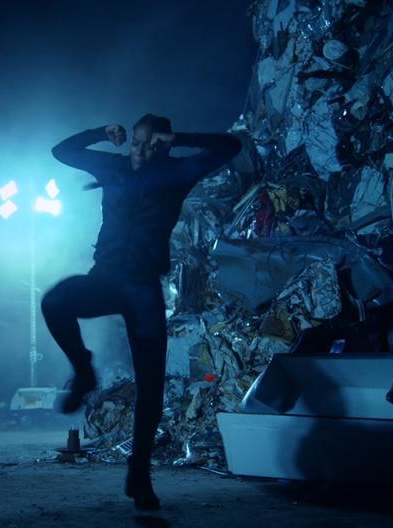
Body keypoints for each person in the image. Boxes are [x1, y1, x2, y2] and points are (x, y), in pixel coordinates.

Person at [41, 114, 242, 510]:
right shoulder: (111, 166)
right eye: (137, 143)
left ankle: (139, 475)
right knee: (54, 302)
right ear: (129, 142)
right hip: (104, 279)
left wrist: (181, 137)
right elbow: (62, 151)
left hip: (143, 291)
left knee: (151, 386)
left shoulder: (178, 173)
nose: (141, 152)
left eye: (151, 145)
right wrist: (100, 132)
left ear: (163, 146)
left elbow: (231, 146)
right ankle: (84, 370)